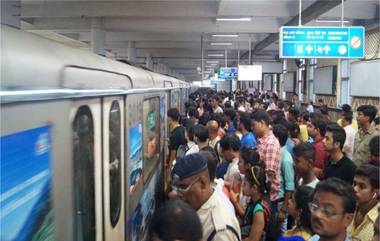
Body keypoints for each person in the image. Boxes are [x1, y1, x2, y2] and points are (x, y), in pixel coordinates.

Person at [170, 153, 241, 241]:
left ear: (203, 183)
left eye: (183, 188)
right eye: (176, 188)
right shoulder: (198, 206)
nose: (178, 194)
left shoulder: (220, 231)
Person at [251, 110, 281, 207]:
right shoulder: (261, 140)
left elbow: (269, 176)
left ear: (262, 123)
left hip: (267, 198)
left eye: (253, 125)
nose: (252, 128)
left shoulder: (271, 144)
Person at [347, 165, 380, 241]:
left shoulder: (378, 219)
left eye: (361, 186)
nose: (355, 189)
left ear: (376, 192)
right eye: (354, 184)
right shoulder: (347, 208)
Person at [273, 124, 295, 231]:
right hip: (274, 199)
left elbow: (289, 186)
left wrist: (283, 209)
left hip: (280, 202)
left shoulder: (286, 158)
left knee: (281, 231)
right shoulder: (276, 153)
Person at [241, 166, 272, 241]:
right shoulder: (253, 201)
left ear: (254, 188)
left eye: (245, 184)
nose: (242, 186)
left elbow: (253, 239)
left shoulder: (259, 211)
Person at [308, 115, 328, 179]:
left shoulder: (319, 147)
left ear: (317, 130)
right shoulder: (317, 143)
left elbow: (317, 170)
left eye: (310, 127)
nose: (308, 128)